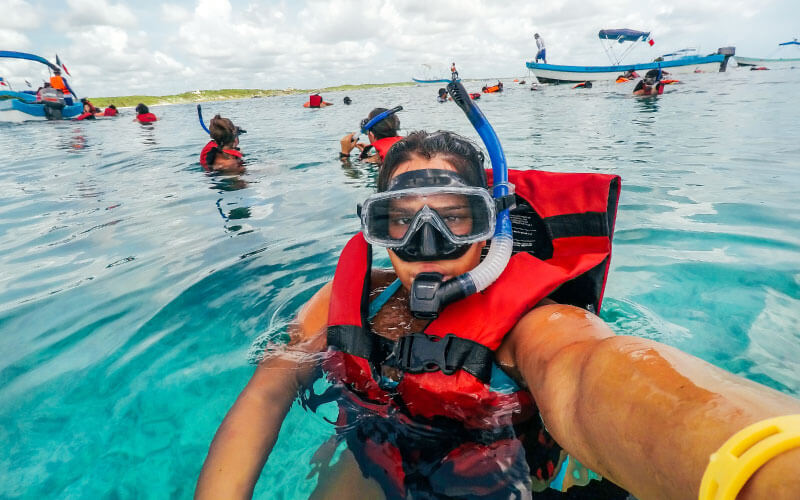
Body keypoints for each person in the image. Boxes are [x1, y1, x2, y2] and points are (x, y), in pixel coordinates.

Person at [196, 128, 800, 499]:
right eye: (401, 220)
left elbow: (587, 370)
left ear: (492, 227)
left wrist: (762, 465)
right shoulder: (344, 303)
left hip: (497, 470)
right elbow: (268, 391)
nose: (426, 242)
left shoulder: (534, 323)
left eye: (454, 217)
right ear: (376, 227)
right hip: (377, 450)